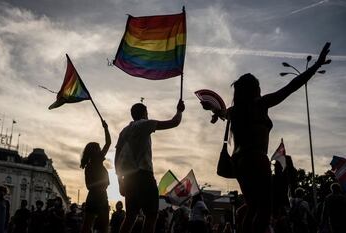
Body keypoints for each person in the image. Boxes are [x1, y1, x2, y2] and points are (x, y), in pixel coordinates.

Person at [202, 43, 331, 233]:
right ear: (255, 89)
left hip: (239, 163)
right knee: (264, 209)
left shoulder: (234, 111)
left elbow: (220, 112)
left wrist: (212, 109)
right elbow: (291, 87)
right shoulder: (260, 104)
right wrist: (316, 65)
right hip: (256, 159)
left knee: (252, 207)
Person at [116, 100, 185, 233]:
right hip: (144, 176)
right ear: (144, 113)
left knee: (130, 217)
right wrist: (180, 111)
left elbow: (117, 158)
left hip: (128, 179)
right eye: (147, 112)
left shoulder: (124, 131)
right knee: (152, 215)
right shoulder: (144, 124)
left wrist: (120, 182)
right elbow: (174, 122)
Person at [80, 120, 111, 233]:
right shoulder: (96, 163)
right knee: (103, 226)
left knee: (87, 225)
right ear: (95, 152)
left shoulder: (89, 166)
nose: (101, 150)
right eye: (98, 149)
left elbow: (89, 186)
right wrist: (106, 129)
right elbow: (108, 143)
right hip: (100, 195)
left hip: (93, 196)